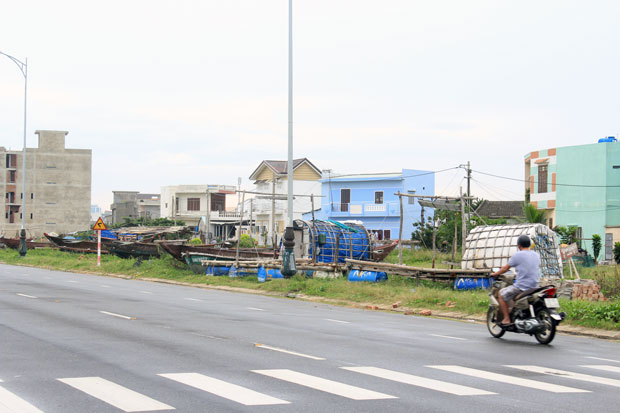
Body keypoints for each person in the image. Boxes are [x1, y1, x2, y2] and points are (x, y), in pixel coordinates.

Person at [491, 235, 541, 326]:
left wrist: (495, 274)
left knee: (501, 294)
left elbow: (506, 268)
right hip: (535, 286)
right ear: (529, 244)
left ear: (519, 245)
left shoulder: (517, 255)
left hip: (522, 287)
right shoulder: (536, 255)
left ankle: (506, 319)